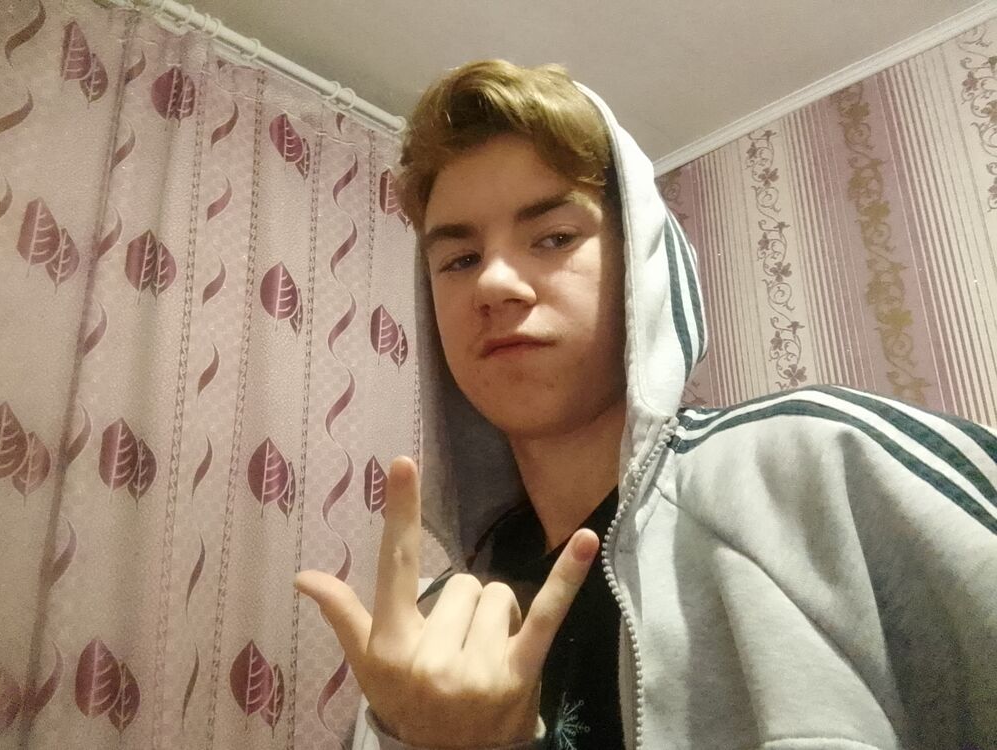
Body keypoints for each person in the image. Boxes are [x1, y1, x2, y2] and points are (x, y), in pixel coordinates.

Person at [295, 60, 997, 750]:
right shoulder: (425, 642)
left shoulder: (821, 465)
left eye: (554, 237)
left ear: (642, 268)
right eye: (459, 260)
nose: (495, 283)